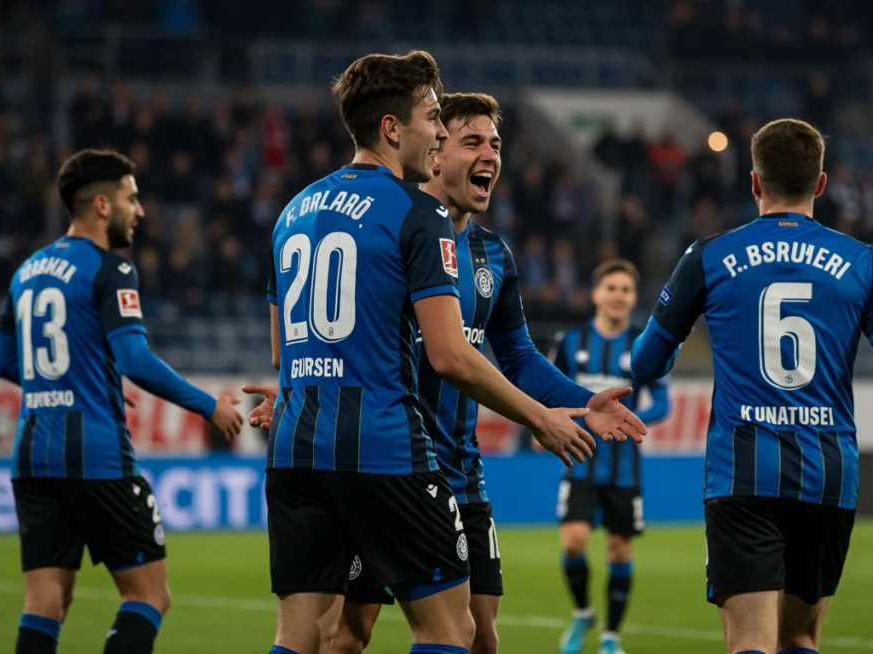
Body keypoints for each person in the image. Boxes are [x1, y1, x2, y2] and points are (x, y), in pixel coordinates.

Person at [252, 53, 634, 654]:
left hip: (412, 462)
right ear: (410, 136)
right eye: (454, 132)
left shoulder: (299, 212)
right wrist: (540, 420)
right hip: (394, 457)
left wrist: (584, 403)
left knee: (475, 636)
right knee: (375, 635)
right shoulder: (414, 216)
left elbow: (520, 356)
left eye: (496, 142)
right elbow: (450, 355)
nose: (489, 154)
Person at [629, 118, 873, 654]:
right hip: (828, 475)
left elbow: (645, 363)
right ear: (820, 184)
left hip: (743, 474)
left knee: (750, 641)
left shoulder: (709, 256)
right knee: (800, 637)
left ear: (754, 183)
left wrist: (682, 330)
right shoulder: (865, 263)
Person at [0, 149, 243, 654]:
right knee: (149, 594)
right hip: (95, 457)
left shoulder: (27, 271)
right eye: (132, 198)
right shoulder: (112, 270)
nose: (141, 210)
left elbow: (3, 361)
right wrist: (206, 405)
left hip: (32, 455)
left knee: (45, 604)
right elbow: (134, 359)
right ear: (103, 205)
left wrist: (79, 376)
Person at [552, 259, 671, 654]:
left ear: (634, 298)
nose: (618, 295)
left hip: (625, 468)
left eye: (625, 289)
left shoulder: (645, 346)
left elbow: (664, 402)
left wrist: (630, 419)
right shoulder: (570, 343)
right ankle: (584, 612)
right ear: (596, 294)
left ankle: (610, 636)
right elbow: (550, 392)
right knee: (573, 542)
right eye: (611, 288)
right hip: (580, 460)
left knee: (619, 549)